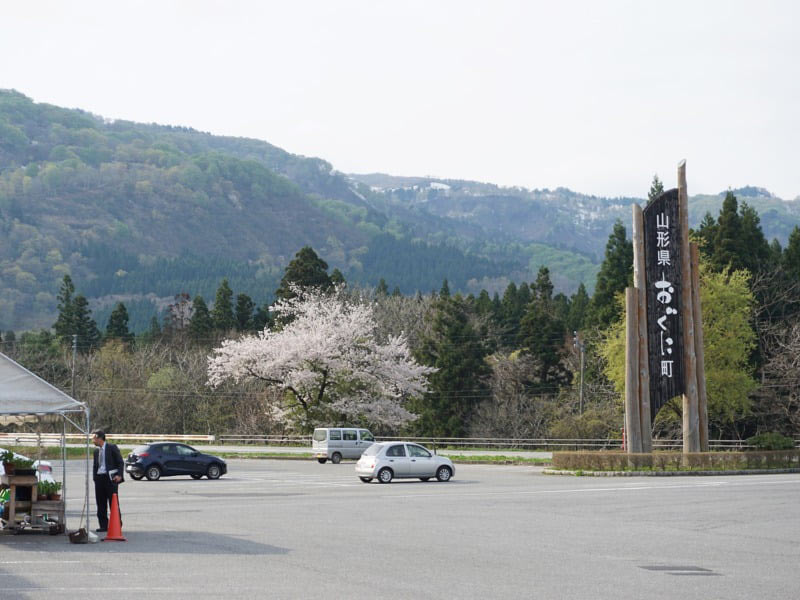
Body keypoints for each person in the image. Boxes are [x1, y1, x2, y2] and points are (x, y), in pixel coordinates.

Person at [92, 429, 124, 532]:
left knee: (113, 502)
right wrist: (95, 478)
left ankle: (117, 524)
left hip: (110, 479)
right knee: (100, 503)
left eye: (94, 438)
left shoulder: (111, 447)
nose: (93, 440)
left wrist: (119, 475)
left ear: (100, 438)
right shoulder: (96, 451)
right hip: (99, 479)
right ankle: (103, 525)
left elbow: (120, 462)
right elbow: (95, 466)